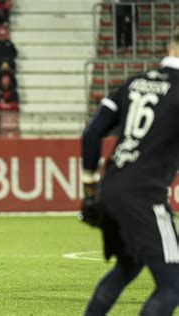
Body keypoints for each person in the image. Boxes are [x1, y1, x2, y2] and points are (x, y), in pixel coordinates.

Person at [79, 33, 179, 315]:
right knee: (173, 285)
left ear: (170, 46)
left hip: (110, 189)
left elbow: (92, 134)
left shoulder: (133, 82)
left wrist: (89, 190)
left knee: (128, 265)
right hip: (145, 195)